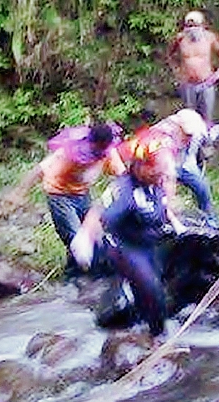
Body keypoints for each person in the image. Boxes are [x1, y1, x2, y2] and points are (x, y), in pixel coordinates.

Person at [72, 131, 179, 340]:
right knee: (152, 288)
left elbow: (162, 207)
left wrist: (174, 222)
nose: (161, 175)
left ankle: (140, 325)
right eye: (155, 170)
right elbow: (99, 211)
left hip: (148, 244)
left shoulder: (156, 183)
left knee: (152, 290)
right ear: (140, 165)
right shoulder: (124, 190)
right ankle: (159, 337)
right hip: (124, 247)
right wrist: (85, 236)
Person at [0, 123, 126, 277]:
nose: (101, 151)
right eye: (98, 146)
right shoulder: (69, 153)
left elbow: (124, 176)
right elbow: (39, 170)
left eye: (105, 147)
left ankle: (90, 274)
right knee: (75, 237)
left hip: (82, 194)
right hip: (59, 195)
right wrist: (19, 192)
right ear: (92, 143)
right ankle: (74, 280)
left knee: (94, 236)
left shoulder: (109, 152)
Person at [149, 108, 218, 225]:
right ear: (177, 126)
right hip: (161, 166)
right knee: (161, 194)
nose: (190, 137)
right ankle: (162, 220)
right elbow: (167, 172)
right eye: (187, 134)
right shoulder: (161, 134)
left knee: (202, 188)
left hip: (186, 164)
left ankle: (211, 221)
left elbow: (211, 133)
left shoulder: (197, 131)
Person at [168, 10, 219, 124]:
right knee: (189, 120)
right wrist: (176, 71)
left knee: (207, 120)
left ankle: (207, 140)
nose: (192, 29)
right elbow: (170, 54)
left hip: (206, 83)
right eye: (189, 25)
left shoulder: (209, 37)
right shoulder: (180, 39)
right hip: (188, 84)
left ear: (201, 25)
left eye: (195, 25)